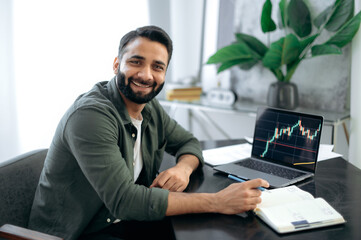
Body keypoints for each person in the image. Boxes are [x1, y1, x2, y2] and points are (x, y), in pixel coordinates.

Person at [28, 25, 269, 240]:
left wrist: (182, 169)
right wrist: (218, 202)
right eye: (136, 62)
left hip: (128, 223)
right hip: (82, 231)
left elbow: (189, 142)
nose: (146, 75)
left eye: (157, 67)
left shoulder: (149, 106)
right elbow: (125, 200)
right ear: (116, 64)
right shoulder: (91, 116)